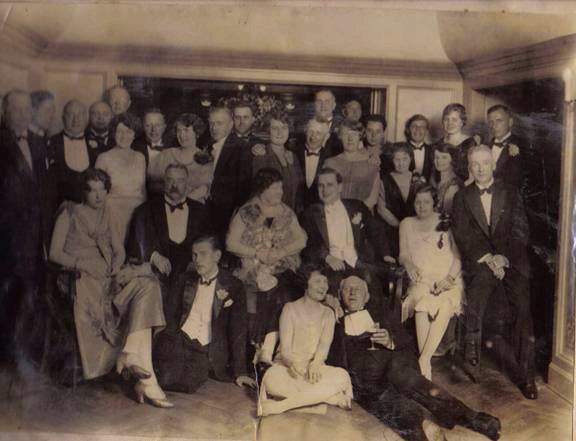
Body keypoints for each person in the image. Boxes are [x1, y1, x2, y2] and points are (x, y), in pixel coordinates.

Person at [49, 169, 171, 408]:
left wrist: (117, 264)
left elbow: (119, 249)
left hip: (107, 272)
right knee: (110, 293)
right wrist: (83, 264)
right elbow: (54, 253)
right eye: (92, 190)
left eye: (101, 190)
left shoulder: (109, 212)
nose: (97, 195)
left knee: (149, 285)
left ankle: (131, 354)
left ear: (107, 191)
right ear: (84, 192)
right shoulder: (69, 212)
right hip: (80, 274)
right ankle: (144, 375)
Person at [327, 274, 501, 441]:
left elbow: (406, 343)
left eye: (358, 289)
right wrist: (333, 315)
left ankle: (473, 418)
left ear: (367, 297)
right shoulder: (334, 322)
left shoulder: (381, 315)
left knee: (412, 381)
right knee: (400, 410)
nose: (352, 292)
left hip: (394, 370)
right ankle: (425, 431)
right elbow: (334, 360)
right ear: (340, 296)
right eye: (347, 289)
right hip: (368, 384)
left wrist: (390, 342)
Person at [452, 145, 537, 400]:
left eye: (485, 163)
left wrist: (503, 258)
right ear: (469, 167)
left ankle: (527, 375)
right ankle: (472, 357)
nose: (480, 168)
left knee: (522, 308)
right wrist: (489, 258)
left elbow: (521, 231)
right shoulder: (461, 197)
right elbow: (463, 235)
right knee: (476, 296)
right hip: (482, 261)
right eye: (475, 164)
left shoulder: (509, 192)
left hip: (511, 260)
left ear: (493, 165)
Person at [153, 235, 255, 394]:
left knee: (188, 384)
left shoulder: (234, 285)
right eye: (194, 255)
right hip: (180, 339)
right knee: (164, 377)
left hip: (206, 347)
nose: (197, 260)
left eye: (203, 254)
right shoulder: (184, 279)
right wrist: (171, 341)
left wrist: (240, 371)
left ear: (217, 256)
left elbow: (238, 329)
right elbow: (170, 315)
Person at [226, 168, 307, 364]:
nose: (281, 192)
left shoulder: (286, 211)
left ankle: (270, 349)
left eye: (281, 187)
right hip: (252, 268)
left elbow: (301, 239)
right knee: (268, 291)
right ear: (263, 190)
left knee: (285, 290)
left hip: (282, 266)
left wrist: (282, 251)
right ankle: (262, 349)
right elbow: (230, 243)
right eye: (276, 188)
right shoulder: (247, 211)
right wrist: (256, 253)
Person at [0, 89, 53, 364]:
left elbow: (43, 191)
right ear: (4, 112)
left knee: (31, 295)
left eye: (25, 109)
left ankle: (26, 358)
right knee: (8, 297)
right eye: (15, 109)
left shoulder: (37, 142)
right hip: (7, 237)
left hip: (35, 236)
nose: (21, 115)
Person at [258, 266, 353, 416]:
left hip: (315, 368)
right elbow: (285, 350)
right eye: (318, 281)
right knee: (271, 380)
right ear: (305, 284)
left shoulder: (328, 313)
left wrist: (316, 363)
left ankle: (282, 406)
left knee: (342, 376)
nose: (323, 286)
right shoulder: (289, 309)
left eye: (325, 282)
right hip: (289, 367)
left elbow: (324, 346)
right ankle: (328, 398)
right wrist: (293, 364)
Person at [398, 185, 463, 381]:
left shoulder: (446, 222)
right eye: (418, 202)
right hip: (421, 279)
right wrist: (409, 265)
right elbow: (403, 254)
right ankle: (425, 364)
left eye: (426, 201)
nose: (422, 206)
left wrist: (448, 279)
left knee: (444, 303)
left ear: (435, 203)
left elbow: (459, 257)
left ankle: (423, 360)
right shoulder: (406, 223)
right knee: (421, 304)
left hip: (448, 279)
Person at [300, 167, 392, 296]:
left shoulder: (356, 206)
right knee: (334, 292)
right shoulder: (311, 213)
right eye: (321, 186)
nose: (325, 190)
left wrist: (385, 254)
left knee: (374, 289)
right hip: (331, 268)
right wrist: (327, 257)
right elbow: (307, 245)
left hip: (359, 262)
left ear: (340, 187)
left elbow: (376, 230)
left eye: (330, 185)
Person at [95, 113, 146, 244]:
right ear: (113, 133)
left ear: (134, 134)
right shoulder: (103, 158)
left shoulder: (140, 157)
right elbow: (97, 192)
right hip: (113, 212)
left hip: (137, 211)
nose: (124, 136)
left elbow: (143, 190)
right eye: (120, 132)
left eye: (128, 132)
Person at [205, 105, 252, 240]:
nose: (214, 128)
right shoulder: (207, 146)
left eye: (219, 123)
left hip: (228, 214)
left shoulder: (241, 147)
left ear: (231, 125)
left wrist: (236, 216)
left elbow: (244, 187)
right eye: (211, 123)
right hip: (207, 210)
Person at [147, 113, 213, 201]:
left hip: (193, 206)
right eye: (179, 131)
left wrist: (182, 202)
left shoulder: (205, 159)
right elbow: (151, 183)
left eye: (186, 130)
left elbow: (204, 189)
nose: (182, 135)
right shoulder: (166, 155)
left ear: (196, 132)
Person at [251, 111, 305, 213]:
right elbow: (260, 194)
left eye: (284, 128)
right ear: (268, 131)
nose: (280, 133)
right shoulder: (261, 156)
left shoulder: (293, 156)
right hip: (271, 214)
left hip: (293, 214)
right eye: (275, 128)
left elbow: (300, 190)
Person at [324, 120, 380, 212]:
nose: (350, 139)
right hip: (335, 213)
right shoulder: (329, 163)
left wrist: (357, 212)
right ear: (340, 137)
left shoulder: (372, 163)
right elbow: (326, 193)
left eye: (354, 134)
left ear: (360, 137)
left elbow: (373, 198)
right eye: (346, 134)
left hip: (363, 213)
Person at [377, 144, 418, 256]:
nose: (401, 163)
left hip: (416, 229)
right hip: (392, 229)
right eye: (397, 160)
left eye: (405, 159)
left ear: (410, 159)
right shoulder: (384, 180)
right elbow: (381, 209)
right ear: (392, 160)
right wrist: (400, 226)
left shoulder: (418, 179)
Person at [49, 100, 92, 203]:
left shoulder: (95, 142)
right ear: (63, 118)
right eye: (70, 115)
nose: (75, 119)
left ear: (86, 118)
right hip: (61, 206)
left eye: (80, 114)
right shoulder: (52, 143)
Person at [293, 118, 335, 207]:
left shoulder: (331, 157)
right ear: (305, 132)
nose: (313, 136)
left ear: (326, 137)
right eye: (311, 131)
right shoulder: (293, 152)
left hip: (319, 210)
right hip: (294, 208)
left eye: (318, 133)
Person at [435, 103, 477, 182]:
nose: (449, 123)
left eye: (454, 119)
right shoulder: (438, 143)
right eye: (446, 119)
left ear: (462, 122)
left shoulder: (470, 143)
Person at [486, 104, 525, 188]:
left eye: (499, 120)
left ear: (510, 122)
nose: (494, 126)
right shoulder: (485, 146)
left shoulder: (523, 145)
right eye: (491, 122)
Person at [429, 143, 463, 214]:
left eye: (444, 157)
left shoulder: (453, 186)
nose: (439, 161)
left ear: (453, 160)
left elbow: (446, 215)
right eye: (437, 157)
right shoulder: (435, 179)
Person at [405, 114, 434, 182]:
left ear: (427, 131)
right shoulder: (400, 149)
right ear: (408, 130)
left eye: (422, 127)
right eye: (414, 126)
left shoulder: (433, 150)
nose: (418, 129)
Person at [313, 89, 342, 154]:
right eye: (319, 101)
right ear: (314, 105)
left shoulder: (342, 126)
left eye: (327, 101)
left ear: (334, 105)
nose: (323, 105)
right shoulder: (305, 126)